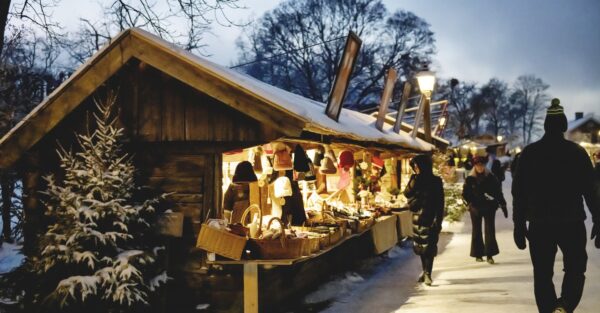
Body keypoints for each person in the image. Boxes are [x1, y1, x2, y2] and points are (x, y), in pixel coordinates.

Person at [512, 98, 600, 313]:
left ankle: (548, 309)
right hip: (571, 221)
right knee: (576, 269)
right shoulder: (577, 154)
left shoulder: (530, 154)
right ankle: (565, 305)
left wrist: (518, 223)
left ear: (545, 126)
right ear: (562, 126)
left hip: (540, 223)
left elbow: (519, 193)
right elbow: (591, 191)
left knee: (542, 273)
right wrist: (598, 219)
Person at [404, 154, 445, 286]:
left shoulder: (435, 181)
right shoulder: (416, 179)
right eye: (414, 166)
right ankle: (424, 271)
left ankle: (428, 273)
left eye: (417, 166)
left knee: (430, 247)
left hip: (430, 217)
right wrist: (413, 179)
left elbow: (440, 202)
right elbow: (407, 193)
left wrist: (439, 220)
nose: (416, 168)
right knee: (421, 246)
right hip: (417, 218)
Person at [463, 155, 508, 264]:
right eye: (478, 166)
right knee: (476, 230)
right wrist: (469, 204)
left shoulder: (491, 177)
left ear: (484, 166)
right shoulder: (470, 179)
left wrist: (503, 204)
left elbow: (498, 192)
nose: (480, 168)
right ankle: (478, 254)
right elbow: (465, 194)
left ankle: (490, 254)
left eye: (482, 165)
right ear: (474, 166)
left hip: (489, 207)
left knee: (489, 230)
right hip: (475, 208)